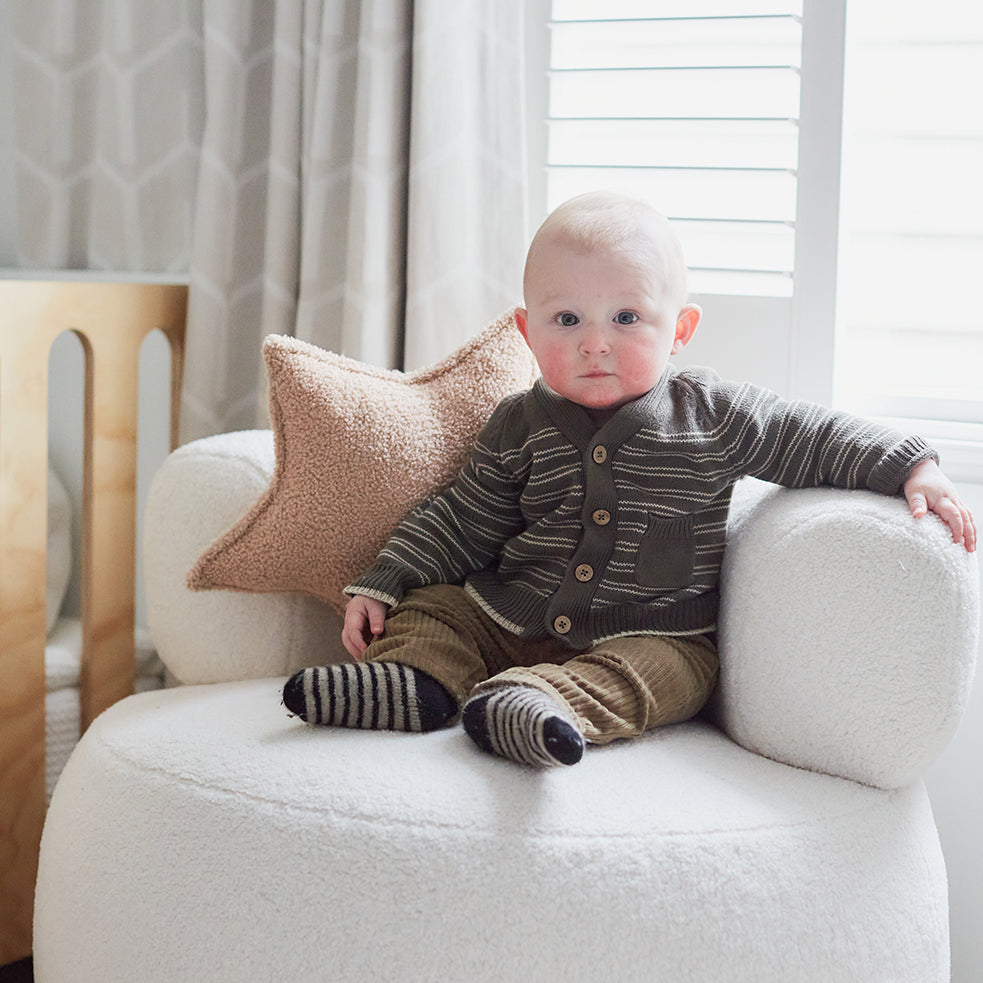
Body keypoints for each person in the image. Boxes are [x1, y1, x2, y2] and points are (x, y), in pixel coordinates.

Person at [282, 191, 977, 767]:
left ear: (679, 328)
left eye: (625, 317)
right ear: (527, 332)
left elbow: (810, 433)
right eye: (566, 319)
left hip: (652, 634)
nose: (594, 341)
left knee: (668, 676)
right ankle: (412, 681)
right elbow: (461, 519)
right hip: (513, 615)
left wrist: (909, 464)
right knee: (440, 605)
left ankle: (536, 706)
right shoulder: (516, 426)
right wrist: (384, 580)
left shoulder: (712, 415)